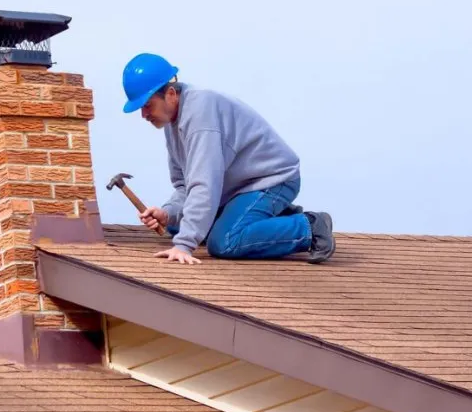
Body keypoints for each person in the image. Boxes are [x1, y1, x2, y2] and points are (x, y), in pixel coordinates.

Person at [121, 52, 335, 265]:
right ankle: (267, 219)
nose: (143, 115)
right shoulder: (172, 122)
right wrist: (167, 213)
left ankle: (310, 226)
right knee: (177, 223)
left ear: (170, 94)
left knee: (224, 242)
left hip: (272, 180)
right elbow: (185, 185)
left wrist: (184, 245)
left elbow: (204, 185)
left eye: (147, 106)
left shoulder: (200, 114)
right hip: (236, 187)